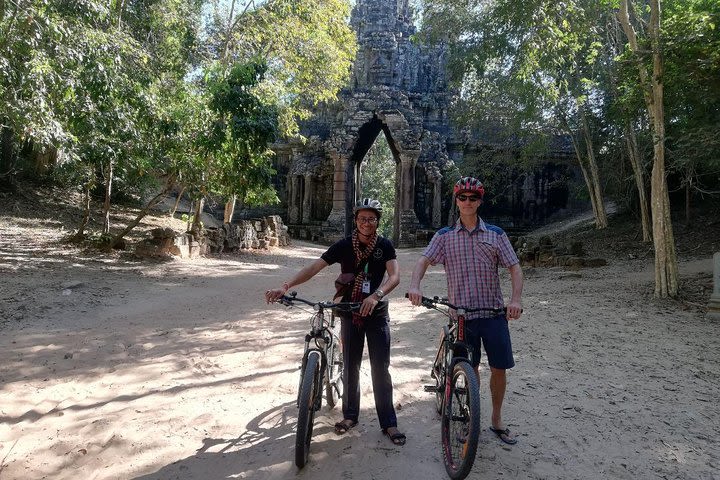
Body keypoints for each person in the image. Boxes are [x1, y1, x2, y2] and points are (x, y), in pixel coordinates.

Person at [265, 198, 406, 446]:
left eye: (371, 219)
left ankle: (389, 422)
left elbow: (394, 277)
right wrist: (286, 285)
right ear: (356, 221)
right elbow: (314, 267)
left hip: (377, 314)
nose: (367, 223)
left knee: (380, 368)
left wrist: (376, 296)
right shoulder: (344, 246)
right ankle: (350, 415)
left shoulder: (384, 245)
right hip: (349, 312)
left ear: (377, 221)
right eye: (362, 218)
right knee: (350, 365)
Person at [407, 176, 523, 445]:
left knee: (499, 368)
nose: (468, 202)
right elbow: (424, 260)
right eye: (463, 197)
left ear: (480, 201)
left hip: (492, 312)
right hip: (460, 315)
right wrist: (415, 285)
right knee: (469, 368)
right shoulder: (445, 236)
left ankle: (495, 419)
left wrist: (515, 300)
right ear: (456, 201)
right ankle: (471, 415)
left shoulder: (496, 234)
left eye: (473, 198)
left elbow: (514, 267)